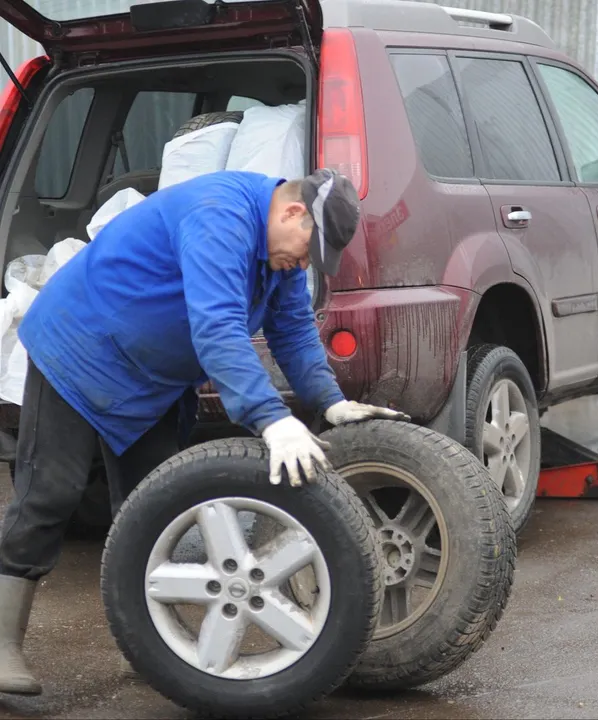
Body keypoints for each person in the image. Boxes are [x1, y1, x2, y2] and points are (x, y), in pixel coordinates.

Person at [0, 167, 409, 694]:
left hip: (153, 378)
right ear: (292, 212)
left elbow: (291, 329)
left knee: (153, 510)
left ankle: (150, 648)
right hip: (79, 351)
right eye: (310, 248)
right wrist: (272, 419)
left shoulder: (277, 251)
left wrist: (329, 402)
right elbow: (217, 328)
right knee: (50, 495)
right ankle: (2, 644)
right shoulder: (220, 215)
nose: (305, 263)